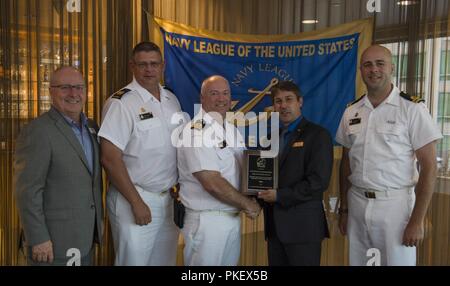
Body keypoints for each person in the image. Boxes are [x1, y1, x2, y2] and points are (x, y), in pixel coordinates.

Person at [335, 45, 443, 266]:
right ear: (361, 70)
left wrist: (417, 220)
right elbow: (346, 162)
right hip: (357, 203)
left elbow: (430, 167)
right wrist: (344, 209)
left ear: (392, 67)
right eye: (367, 65)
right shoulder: (351, 111)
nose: (373, 69)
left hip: (395, 206)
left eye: (380, 63)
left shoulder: (412, 109)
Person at [99, 42, 184, 266]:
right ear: (132, 66)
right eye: (143, 64)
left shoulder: (171, 100)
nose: (149, 70)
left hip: (168, 200)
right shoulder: (121, 103)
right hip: (134, 198)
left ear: (162, 66)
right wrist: (136, 202)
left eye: (154, 64)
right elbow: (109, 158)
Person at [14, 66, 103, 266]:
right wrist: (38, 238)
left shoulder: (92, 127)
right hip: (52, 243)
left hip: (85, 237)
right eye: (65, 87)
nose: (73, 93)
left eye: (79, 87)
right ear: (51, 91)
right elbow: (27, 192)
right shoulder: (38, 131)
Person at [176, 75, 261, 266]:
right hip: (208, 222)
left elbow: (242, 171)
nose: (221, 99)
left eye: (225, 93)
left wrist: (257, 192)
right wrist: (247, 204)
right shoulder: (196, 131)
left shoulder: (230, 129)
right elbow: (211, 182)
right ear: (202, 98)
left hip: (230, 217)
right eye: (214, 93)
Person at [257, 81, 332, 266]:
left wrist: (279, 195)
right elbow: (262, 177)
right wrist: (254, 194)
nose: (283, 105)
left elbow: (318, 182)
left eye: (288, 99)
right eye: (278, 101)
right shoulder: (269, 138)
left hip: (303, 229)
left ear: (300, 102)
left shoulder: (318, 135)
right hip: (275, 229)